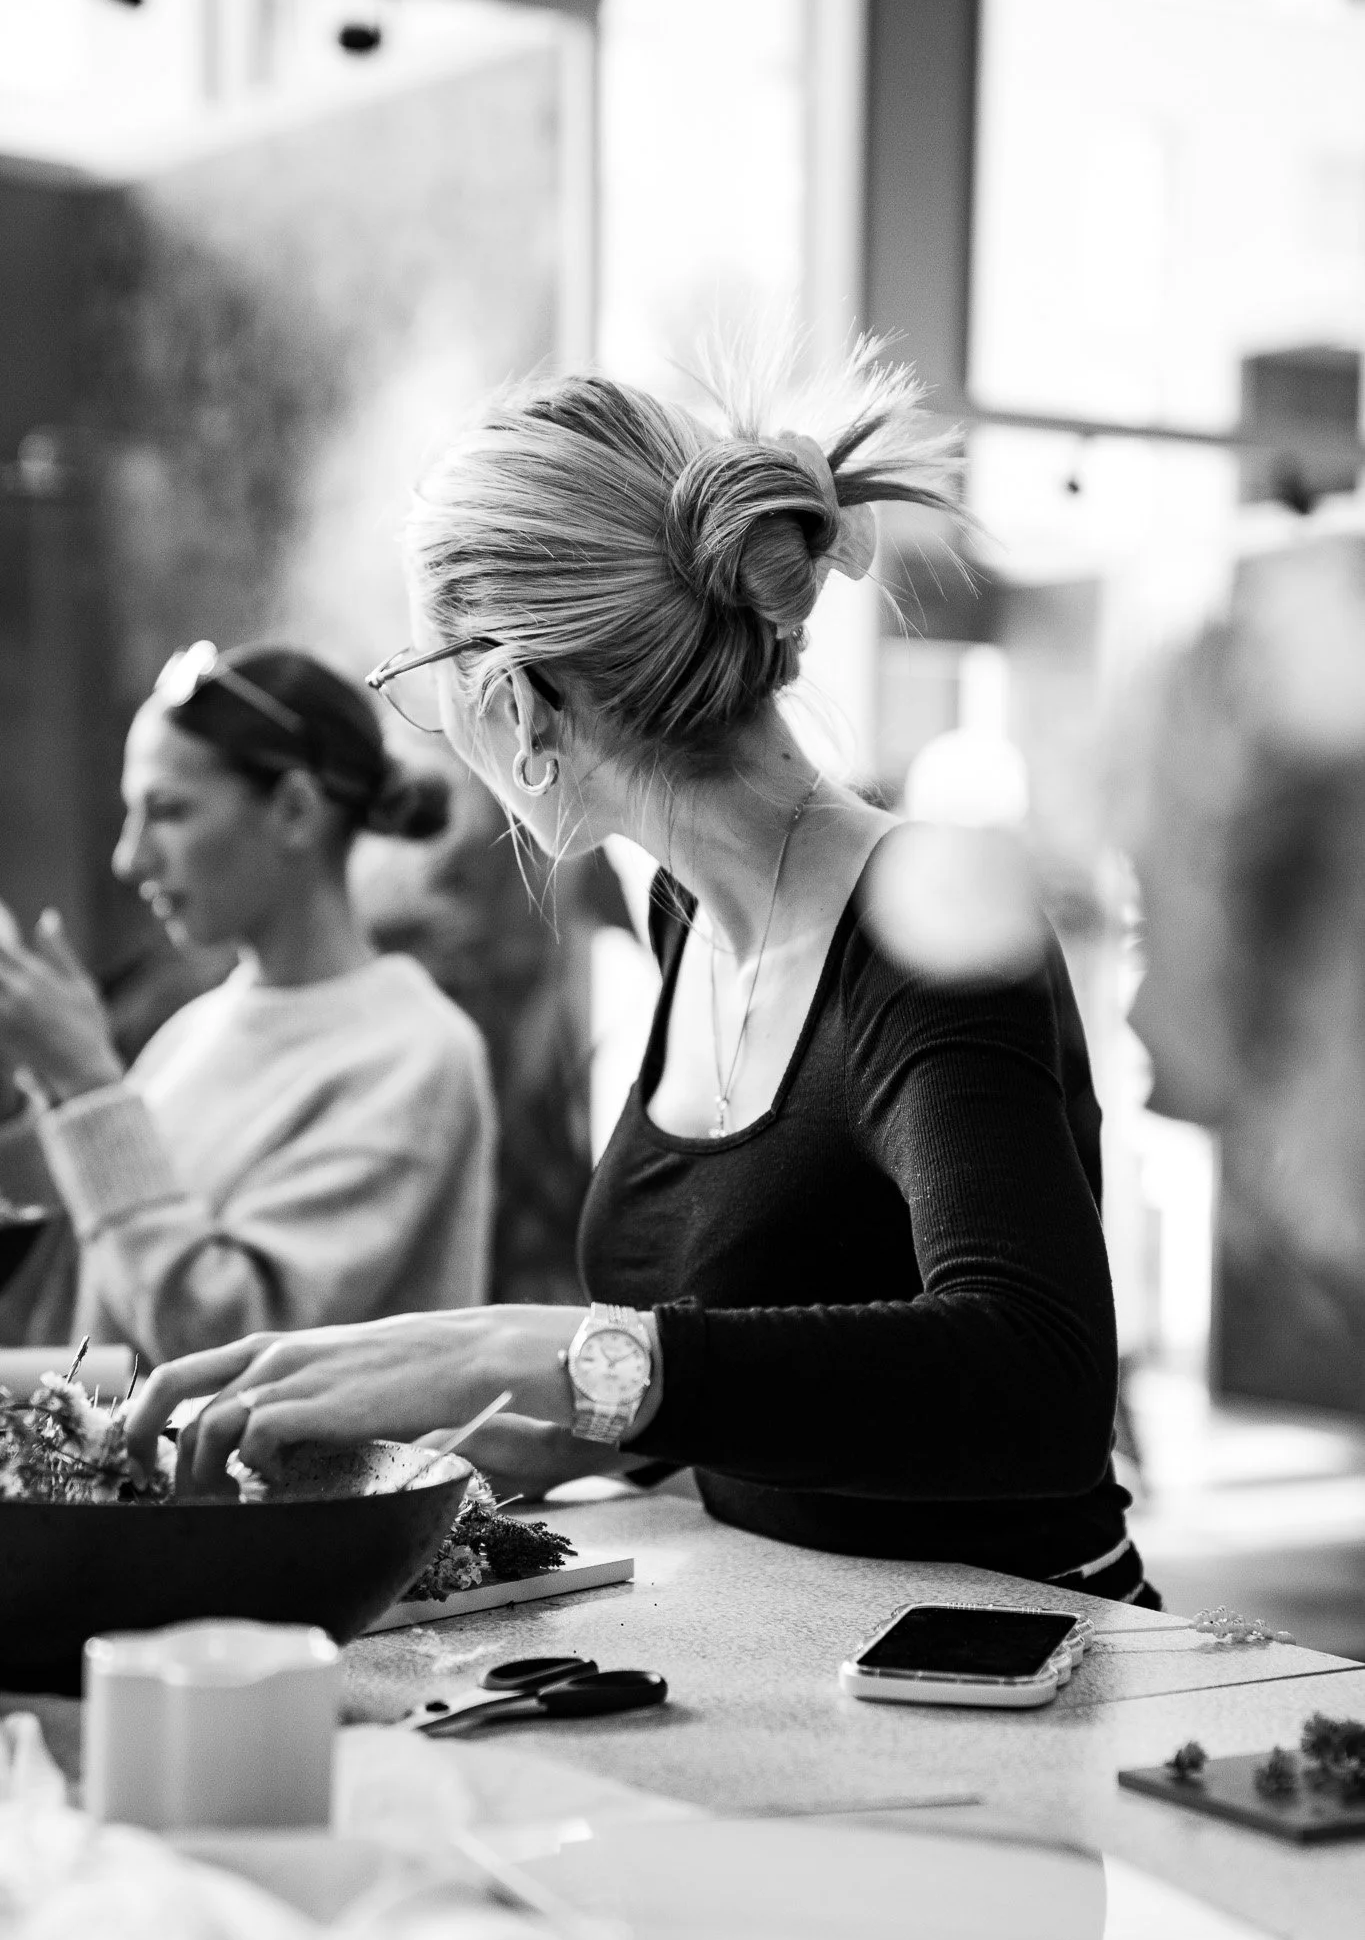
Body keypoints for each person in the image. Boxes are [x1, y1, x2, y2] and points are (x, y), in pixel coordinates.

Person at [128, 355, 1147, 1604]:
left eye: (423, 685)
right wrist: (526, 1428)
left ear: (517, 700)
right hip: (799, 1634)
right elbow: (772, 1345)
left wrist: (537, 1348)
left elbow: (1037, 1382)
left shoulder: (919, 929)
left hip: (1027, 1649)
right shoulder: (686, 911)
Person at [0, 642, 495, 1363]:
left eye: (168, 811)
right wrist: (22, 1087)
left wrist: (88, 1086)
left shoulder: (413, 1057)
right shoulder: (196, 1029)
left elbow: (225, 1345)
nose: (129, 859)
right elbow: (91, 1275)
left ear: (294, 810)